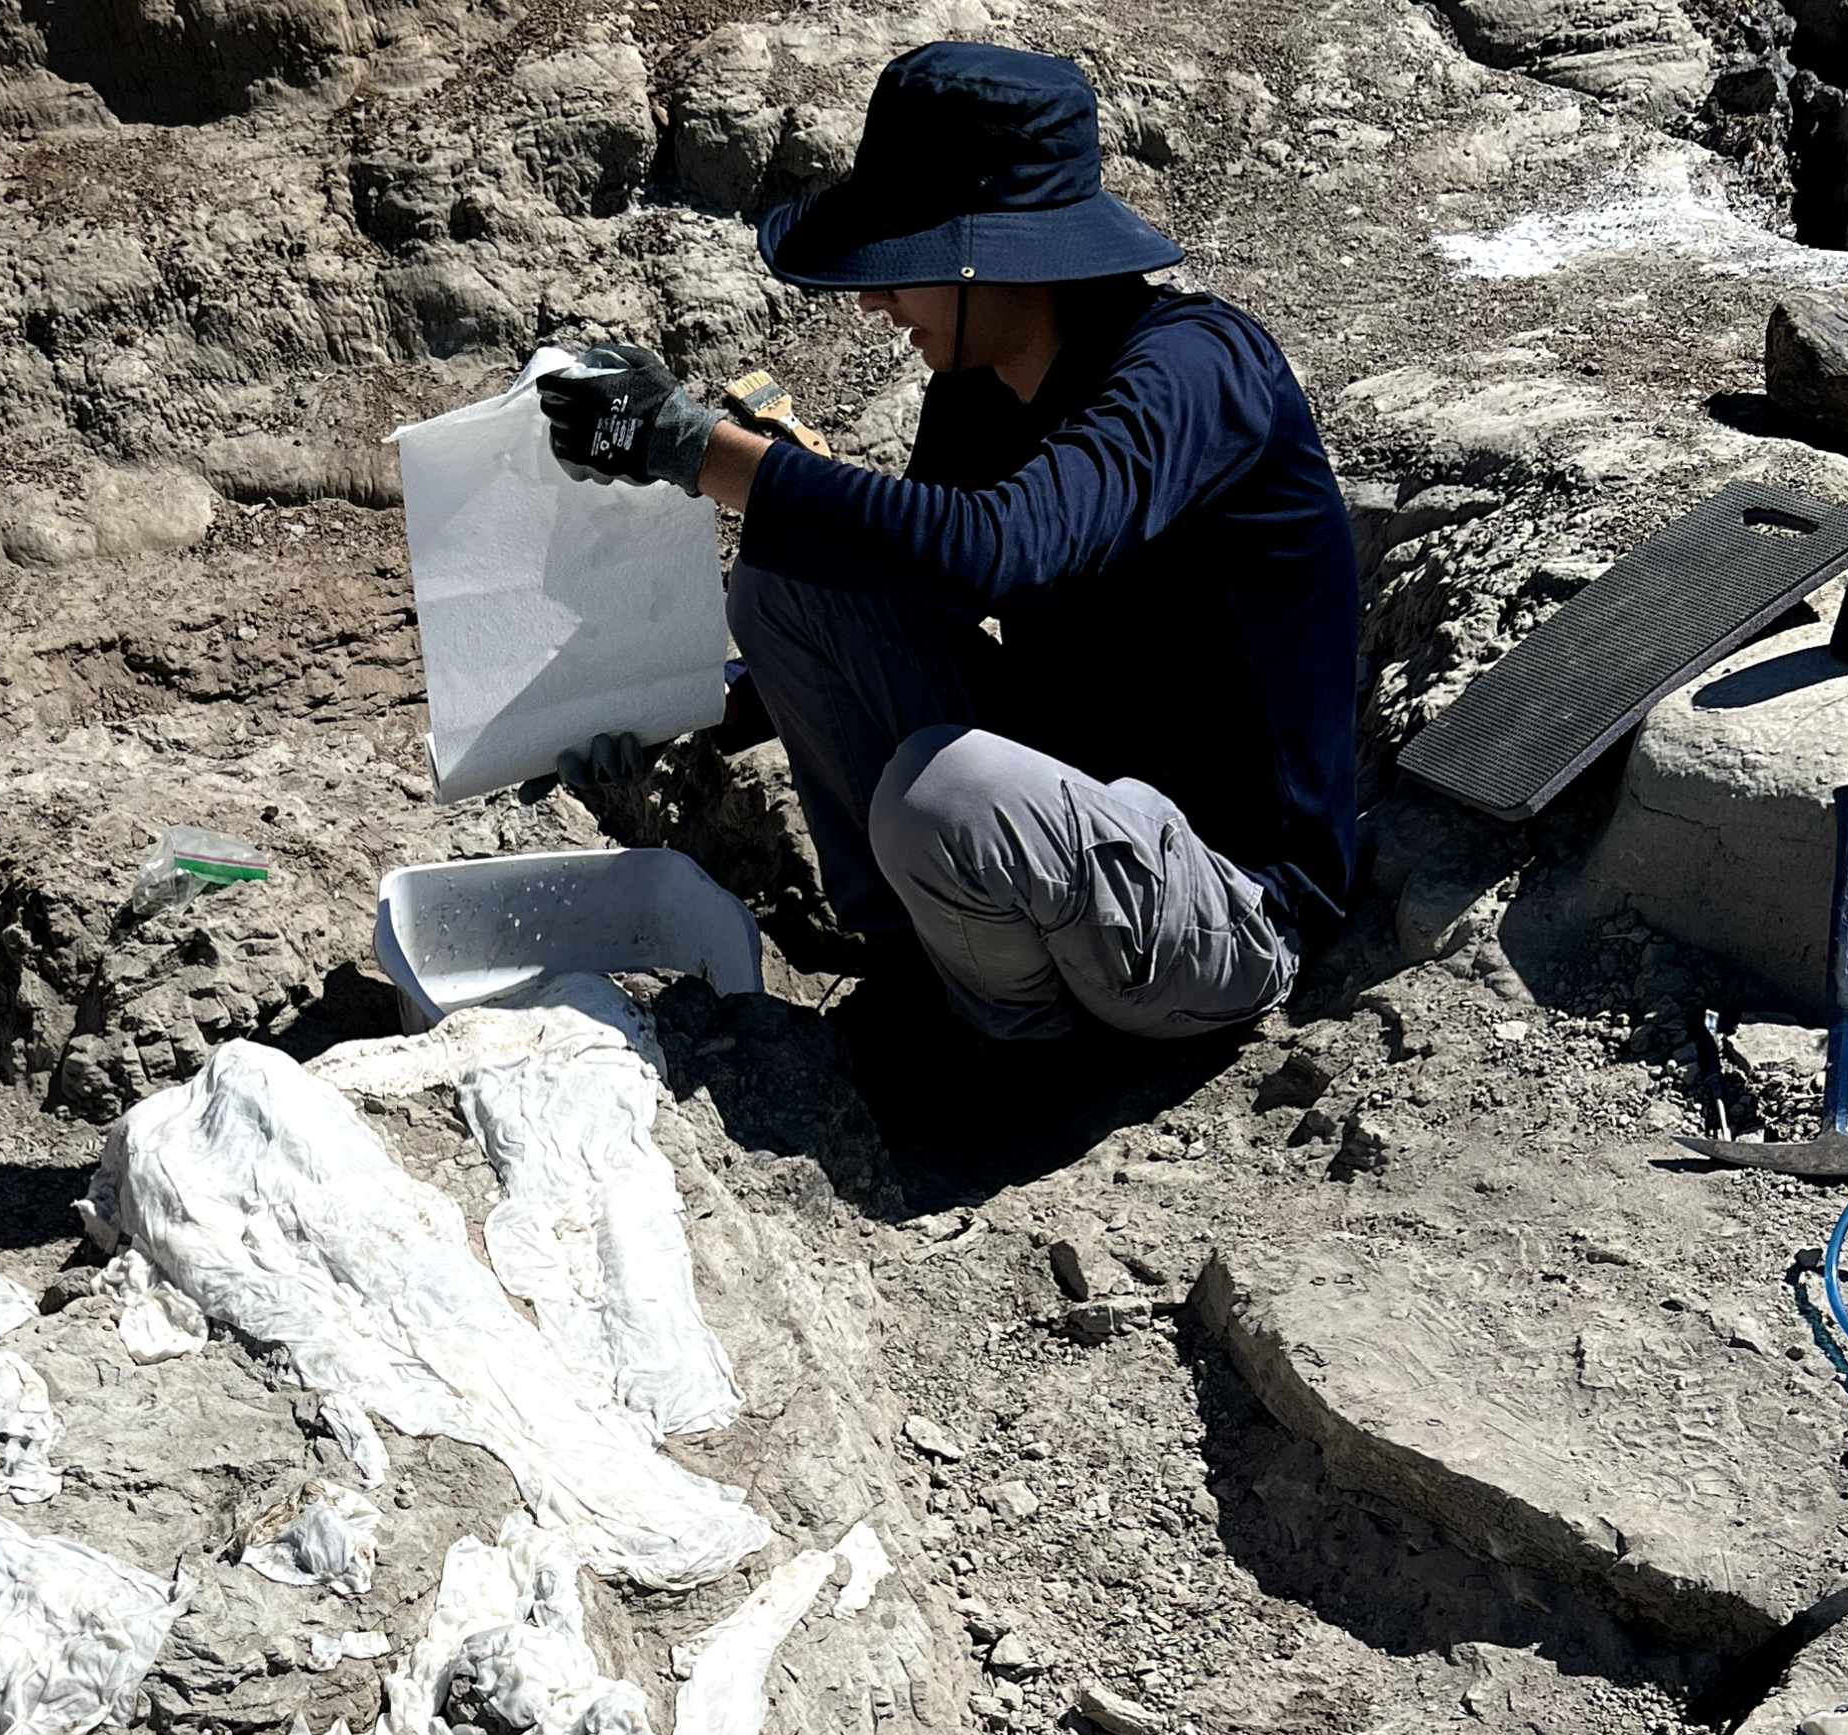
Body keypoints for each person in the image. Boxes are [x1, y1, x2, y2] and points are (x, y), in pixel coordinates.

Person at [537, 42, 1363, 1055]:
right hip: (1075, 820)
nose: (878, 303)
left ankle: (1009, 1056)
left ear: (1000, 255)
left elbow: (992, 549)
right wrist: (679, 709)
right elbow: (908, 597)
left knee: (944, 793)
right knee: (795, 581)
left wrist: (693, 448)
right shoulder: (979, 390)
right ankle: (915, 969)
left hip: (1226, 901)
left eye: (902, 268)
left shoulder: (1196, 372)